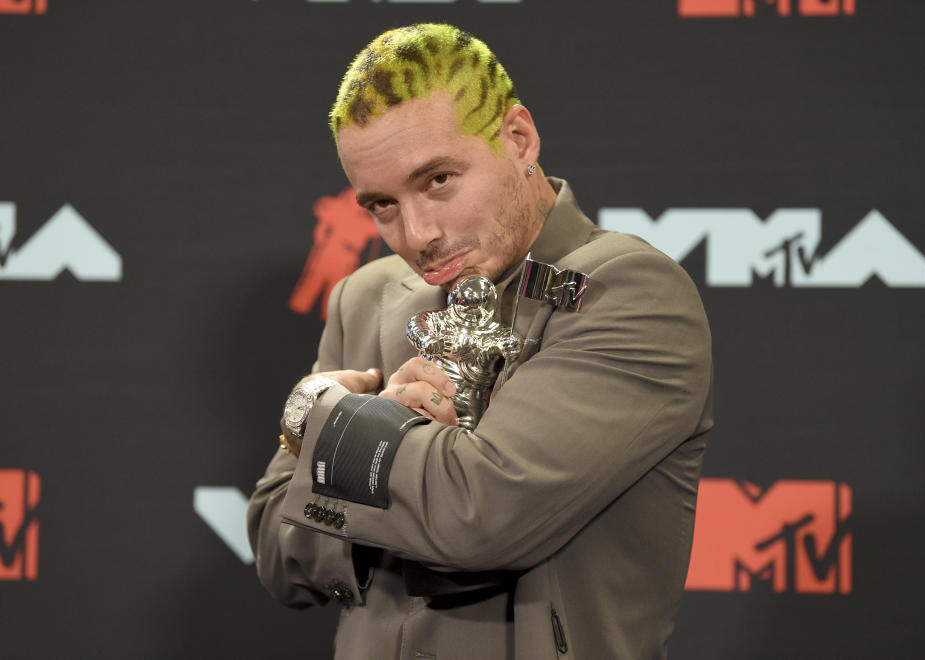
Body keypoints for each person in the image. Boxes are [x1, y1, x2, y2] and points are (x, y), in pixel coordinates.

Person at [247, 23, 713, 660]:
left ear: (518, 138)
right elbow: (278, 553)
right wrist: (383, 452)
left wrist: (327, 419)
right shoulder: (365, 298)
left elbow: (480, 515)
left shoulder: (628, 291)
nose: (417, 234)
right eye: (382, 204)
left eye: (438, 179)